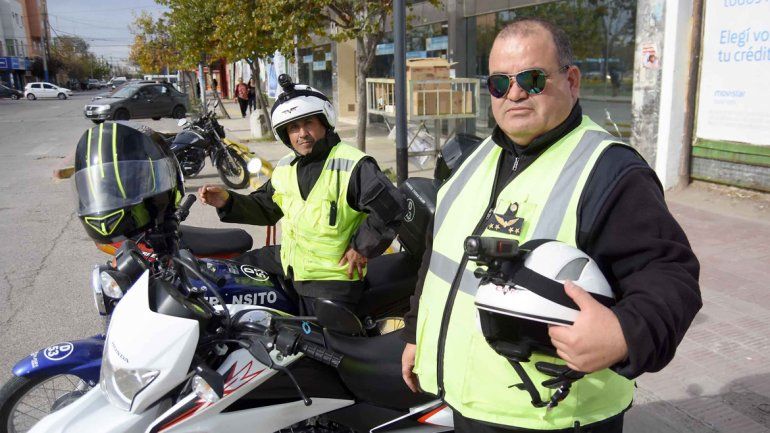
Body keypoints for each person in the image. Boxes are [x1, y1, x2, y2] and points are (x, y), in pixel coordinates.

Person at [400, 18, 701, 433]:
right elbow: (439, 258)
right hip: (467, 402)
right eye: (500, 83)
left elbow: (669, 274)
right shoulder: (474, 159)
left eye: (532, 78)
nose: (515, 93)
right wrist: (416, 333)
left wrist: (625, 334)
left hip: (551, 414)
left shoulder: (609, 170)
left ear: (571, 81)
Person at [199, 75, 405, 314]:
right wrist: (227, 201)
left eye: (308, 123)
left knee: (316, 336)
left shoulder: (352, 164)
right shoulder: (286, 166)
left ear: (324, 123)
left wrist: (361, 248)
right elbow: (266, 207)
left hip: (329, 277)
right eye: (293, 128)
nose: (302, 133)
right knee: (228, 275)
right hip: (291, 262)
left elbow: (391, 208)